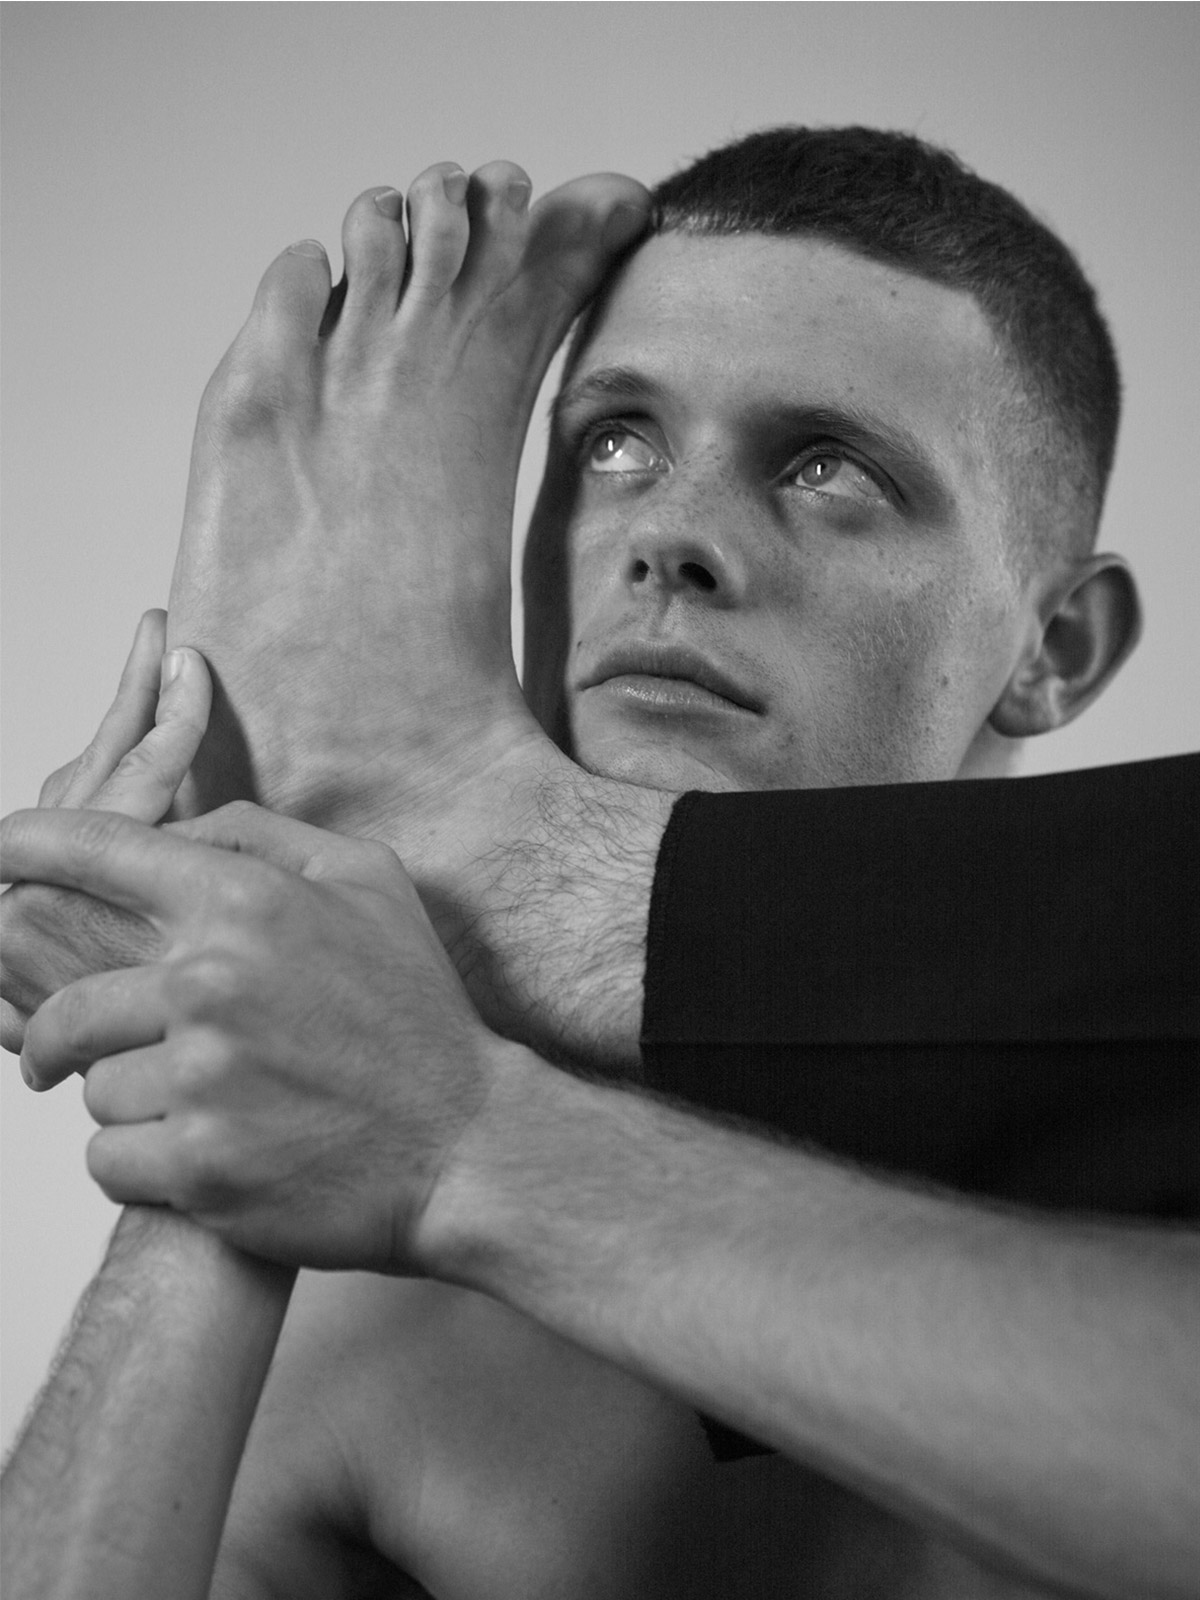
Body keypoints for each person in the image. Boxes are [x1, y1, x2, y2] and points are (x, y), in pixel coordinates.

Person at [2, 128, 1197, 1600]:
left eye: (830, 468)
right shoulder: (400, 1346)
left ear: (1056, 646)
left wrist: (448, 1132)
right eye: (615, 442)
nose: (673, 536)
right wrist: (223, 1088)